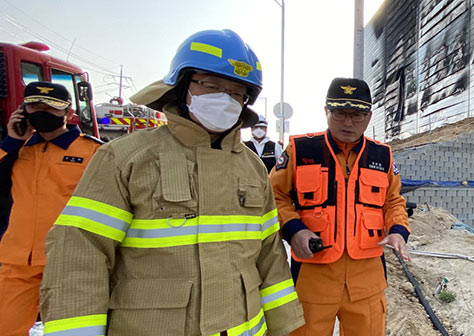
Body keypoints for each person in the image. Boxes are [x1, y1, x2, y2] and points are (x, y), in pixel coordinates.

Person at [39, 29, 304, 335]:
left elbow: (270, 255)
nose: (225, 99)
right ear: (182, 86)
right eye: (211, 85)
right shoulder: (126, 158)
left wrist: (282, 326)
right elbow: (80, 252)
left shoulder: (253, 167)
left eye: (236, 93)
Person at [271, 77, 410, 336]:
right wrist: (294, 229)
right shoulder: (300, 150)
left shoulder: (382, 155)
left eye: (356, 115)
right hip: (313, 276)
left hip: (366, 280)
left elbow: (393, 201)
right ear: (326, 112)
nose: (348, 122)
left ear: (368, 117)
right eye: (340, 113)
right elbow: (274, 196)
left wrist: (398, 231)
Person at [0, 81, 103, 335]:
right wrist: (11, 143)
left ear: (68, 113)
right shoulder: (16, 149)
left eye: (52, 107)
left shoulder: (94, 151)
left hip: (68, 262)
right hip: (17, 262)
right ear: (23, 111)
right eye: (35, 106)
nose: (42, 111)